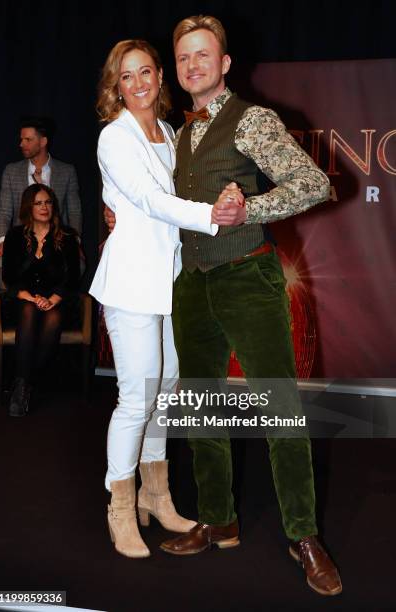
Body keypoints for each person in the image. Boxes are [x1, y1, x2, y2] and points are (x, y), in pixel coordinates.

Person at [148, 15, 342, 597]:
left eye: (203, 55)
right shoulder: (179, 133)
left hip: (248, 275)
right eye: (184, 59)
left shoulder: (252, 119)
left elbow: (314, 183)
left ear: (225, 63)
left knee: (280, 410)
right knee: (202, 406)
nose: (192, 66)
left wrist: (250, 209)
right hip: (194, 283)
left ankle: (304, 536)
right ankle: (218, 520)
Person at [89, 39, 243, 559]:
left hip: (172, 281)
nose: (137, 84)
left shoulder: (171, 134)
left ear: (160, 77)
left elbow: (183, 191)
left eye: (145, 72)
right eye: (125, 76)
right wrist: (209, 218)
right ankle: (120, 508)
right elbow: (150, 201)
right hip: (131, 283)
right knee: (136, 398)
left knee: (167, 392)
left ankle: (157, 496)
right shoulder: (114, 137)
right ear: (116, 85)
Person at [2, 183, 80, 417]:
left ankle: (22, 383)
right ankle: (26, 384)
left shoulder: (66, 236)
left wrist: (54, 298)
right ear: (29, 207)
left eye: (47, 202)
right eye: (38, 203)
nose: (44, 207)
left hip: (57, 301)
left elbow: (73, 277)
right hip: (22, 300)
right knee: (27, 311)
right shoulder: (15, 236)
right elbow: (8, 276)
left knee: (53, 317)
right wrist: (31, 298)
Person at [0, 116, 82, 287]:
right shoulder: (11, 171)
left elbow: (75, 212)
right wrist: (4, 243)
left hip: (57, 243)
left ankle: (49, 303)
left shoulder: (67, 172)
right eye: (21, 139)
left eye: (28, 140)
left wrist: (74, 243)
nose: (21, 144)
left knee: (77, 266)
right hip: (21, 243)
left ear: (43, 142)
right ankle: (23, 303)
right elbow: (3, 212)